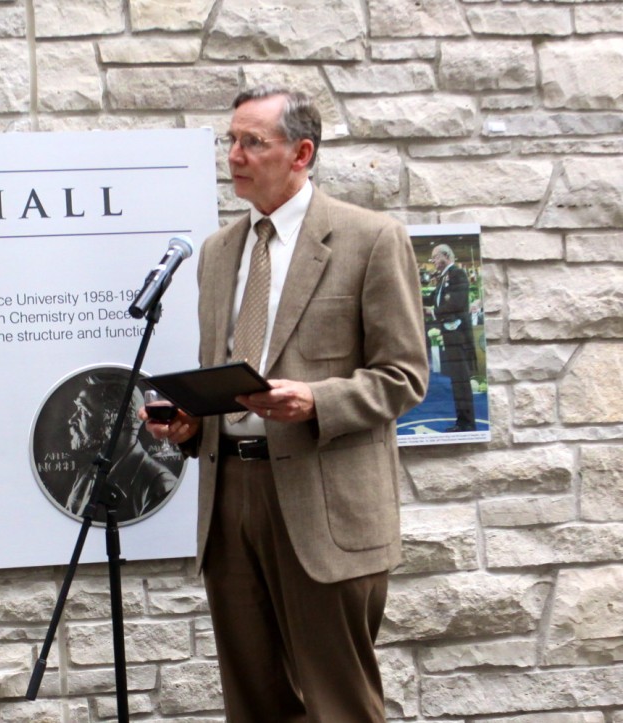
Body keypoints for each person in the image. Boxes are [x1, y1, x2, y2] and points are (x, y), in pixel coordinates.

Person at [143, 87, 429, 722]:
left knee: (339, 706)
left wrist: (317, 401)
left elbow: (405, 376)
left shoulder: (370, 239)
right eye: (230, 140)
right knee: (255, 706)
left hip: (323, 504)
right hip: (229, 502)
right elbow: (225, 374)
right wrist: (191, 424)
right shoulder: (217, 253)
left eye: (252, 142)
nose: (234, 156)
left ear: (301, 152)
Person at [59, 371, 178, 523]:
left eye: (82, 410)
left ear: (115, 421)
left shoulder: (159, 486)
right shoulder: (85, 475)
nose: (72, 420)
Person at [426, 244, 477, 432]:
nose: (433, 262)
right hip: (451, 336)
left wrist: (433, 311)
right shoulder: (443, 278)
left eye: (434, 258)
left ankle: (467, 423)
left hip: (458, 335)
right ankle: (463, 421)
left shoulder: (457, 274)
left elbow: (456, 303)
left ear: (445, 256)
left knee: (461, 380)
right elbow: (432, 298)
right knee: (457, 380)